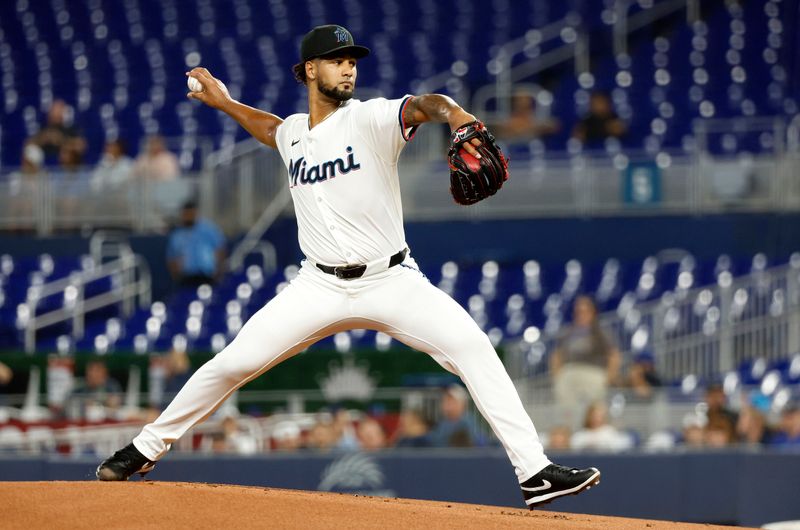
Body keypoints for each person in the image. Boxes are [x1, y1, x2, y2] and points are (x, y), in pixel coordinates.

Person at [96, 24, 600, 508]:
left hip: (392, 279)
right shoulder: (294, 133)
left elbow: (427, 105)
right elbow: (271, 129)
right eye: (337, 61)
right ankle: (145, 447)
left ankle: (533, 472)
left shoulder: (372, 118)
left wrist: (457, 116)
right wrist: (225, 103)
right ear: (310, 69)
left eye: (352, 60)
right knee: (233, 362)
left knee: (473, 347)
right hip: (317, 285)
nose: (348, 69)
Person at [550, 296, 621, 427]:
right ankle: (566, 429)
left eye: (585, 311)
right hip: (570, 371)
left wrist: (609, 377)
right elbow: (557, 354)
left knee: (596, 402)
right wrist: (557, 374)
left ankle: (596, 427)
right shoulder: (568, 332)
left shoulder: (601, 332)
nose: (581, 314)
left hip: (593, 371)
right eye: (578, 311)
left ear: (593, 312)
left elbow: (613, 355)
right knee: (564, 398)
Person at [166, 201, 226, 288]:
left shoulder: (208, 229)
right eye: (186, 214)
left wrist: (218, 271)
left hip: (207, 275)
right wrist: (176, 275)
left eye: (191, 213)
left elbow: (220, 249)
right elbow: (172, 257)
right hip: (186, 276)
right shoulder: (177, 235)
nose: (188, 216)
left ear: (195, 213)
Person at [31, 99, 87, 163]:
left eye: (58, 110)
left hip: (65, 167)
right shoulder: (44, 129)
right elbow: (28, 144)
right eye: (53, 110)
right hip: (44, 166)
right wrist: (43, 139)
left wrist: (62, 140)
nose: (55, 113)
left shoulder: (69, 129)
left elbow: (81, 146)